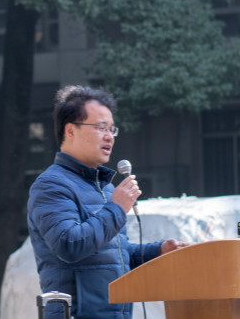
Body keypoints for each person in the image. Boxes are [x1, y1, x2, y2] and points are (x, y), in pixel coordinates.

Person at [27, 85, 187, 319]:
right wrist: (117, 208)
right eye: (100, 127)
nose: (109, 136)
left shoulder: (105, 188)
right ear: (70, 130)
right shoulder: (51, 185)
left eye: (112, 129)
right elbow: (69, 244)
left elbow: (112, 254)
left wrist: (158, 251)